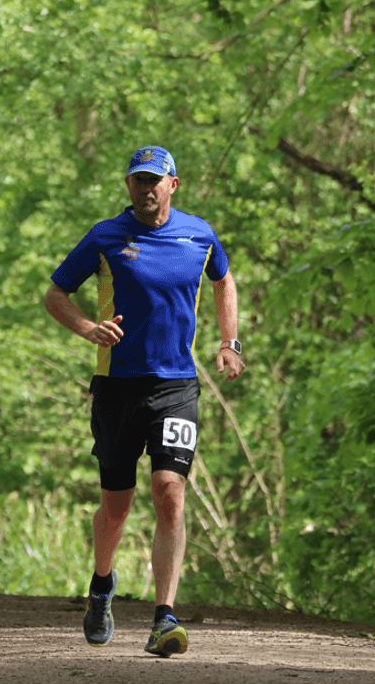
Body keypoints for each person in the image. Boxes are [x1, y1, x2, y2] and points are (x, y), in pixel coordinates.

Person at [44, 146, 245, 657]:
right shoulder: (105, 236)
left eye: (155, 180)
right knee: (116, 504)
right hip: (116, 387)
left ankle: (164, 617)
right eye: (138, 180)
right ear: (127, 186)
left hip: (176, 385)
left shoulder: (199, 234)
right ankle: (102, 585)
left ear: (173, 184)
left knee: (169, 490)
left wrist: (229, 343)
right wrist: (89, 328)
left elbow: (224, 281)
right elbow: (55, 294)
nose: (146, 188)